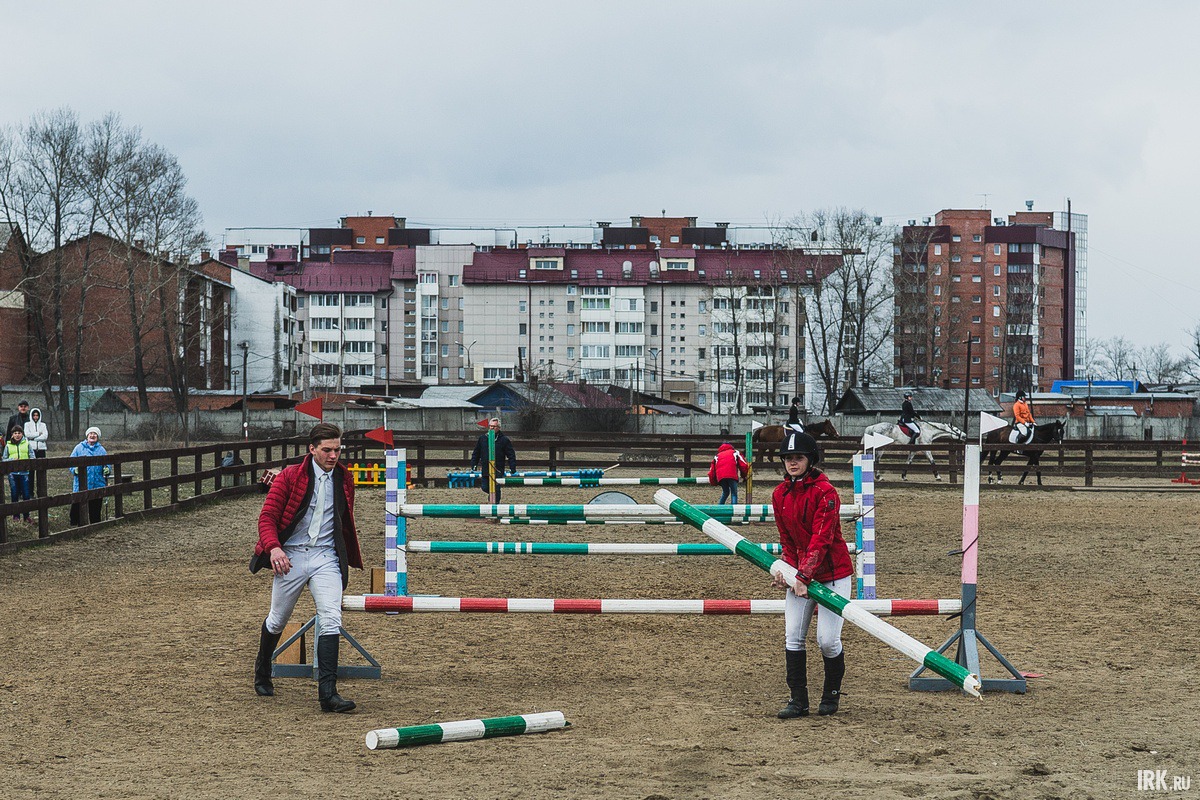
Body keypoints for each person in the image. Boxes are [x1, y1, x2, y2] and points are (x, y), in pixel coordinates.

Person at [250, 422, 363, 713]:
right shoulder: (289, 477)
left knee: (331, 617)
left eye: (337, 449)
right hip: (292, 555)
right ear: (312, 449)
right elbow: (267, 517)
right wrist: (274, 548)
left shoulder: (344, 478)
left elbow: (344, 519)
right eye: (327, 450)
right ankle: (262, 670)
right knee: (278, 619)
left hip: (325, 556)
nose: (333, 455)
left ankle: (328, 694)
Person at [770, 431, 854, 719]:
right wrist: (786, 570)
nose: (792, 463)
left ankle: (831, 694)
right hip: (800, 575)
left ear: (810, 460)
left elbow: (822, 538)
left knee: (827, 640)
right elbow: (787, 540)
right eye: (788, 458)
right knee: (793, 635)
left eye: (798, 457)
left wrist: (803, 576)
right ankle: (798, 701)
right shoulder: (779, 494)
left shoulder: (826, 493)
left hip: (833, 574)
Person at [69, 426, 109, 525]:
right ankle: (76, 524)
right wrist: (75, 469)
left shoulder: (101, 450)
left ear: (97, 437)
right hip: (81, 483)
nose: (92, 435)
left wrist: (107, 469)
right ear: (87, 436)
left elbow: (107, 463)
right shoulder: (79, 448)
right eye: (90, 433)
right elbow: (71, 462)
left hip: (97, 483)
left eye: (95, 434)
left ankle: (95, 524)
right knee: (77, 505)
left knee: (95, 507)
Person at [470, 418, 516, 502]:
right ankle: (493, 497)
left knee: (496, 487)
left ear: (498, 428)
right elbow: (476, 452)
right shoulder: (482, 438)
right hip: (486, 468)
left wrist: (512, 466)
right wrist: (474, 464)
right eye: (490, 426)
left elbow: (511, 454)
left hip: (498, 468)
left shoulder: (504, 439)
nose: (491, 428)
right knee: (485, 487)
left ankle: (495, 504)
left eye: (494, 426)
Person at [3, 426, 33, 523]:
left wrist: (27, 464)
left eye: (19, 433)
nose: (17, 435)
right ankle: (16, 516)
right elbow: (4, 459)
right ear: (12, 434)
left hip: (24, 473)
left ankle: (26, 516)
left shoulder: (27, 444)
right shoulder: (8, 445)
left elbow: (32, 457)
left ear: (22, 434)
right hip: (13, 474)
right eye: (15, 433)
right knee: (14, 494)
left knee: (26, 494)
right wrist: (12, 460)